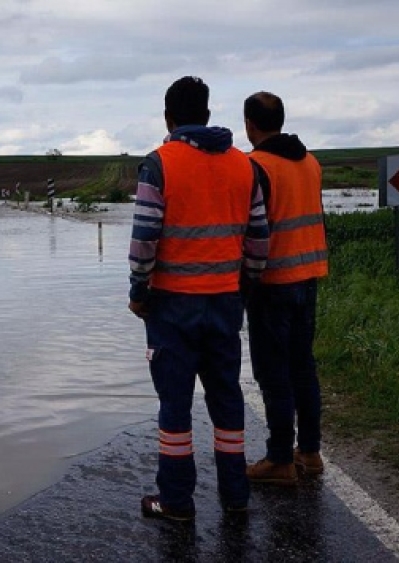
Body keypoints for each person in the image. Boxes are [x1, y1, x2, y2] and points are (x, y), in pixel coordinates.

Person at [129, 76, 269, 521]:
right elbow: (260, 239)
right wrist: (243, 284)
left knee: (175, 405)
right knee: (226, 399)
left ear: (168, 117)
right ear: (207, 115)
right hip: (225, 301)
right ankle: (236, 495)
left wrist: (139, 288)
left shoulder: (159, 163)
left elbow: (145, 237)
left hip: (171, 305)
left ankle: (175, 502)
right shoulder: (245, 166)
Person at [242, 91, 329, 485]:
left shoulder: (255, 166)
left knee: (273, 372)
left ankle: (279, 459)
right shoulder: (310, 161)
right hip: (308, 276)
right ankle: (309, 452)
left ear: (250, 125)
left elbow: (251, 227)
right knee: (302, 366)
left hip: (272, 281)